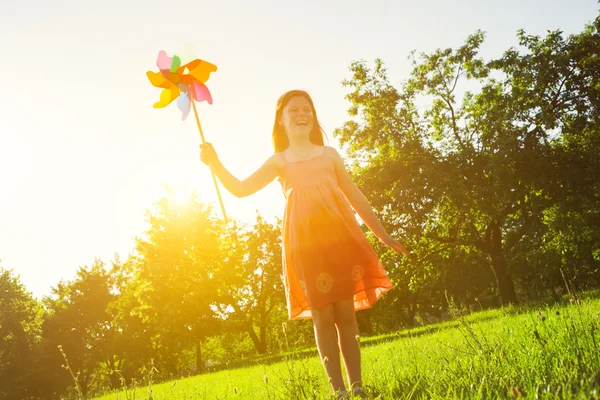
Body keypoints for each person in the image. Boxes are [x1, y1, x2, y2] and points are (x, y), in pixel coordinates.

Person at [199, 89, 409, 399]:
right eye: (294, 110)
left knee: (346, 314)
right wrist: (214, 163)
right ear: (281, 120)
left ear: (313, 117)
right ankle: (339, 392)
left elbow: (356, 196)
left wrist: (382, 234)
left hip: (340, 238)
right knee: (323, 316)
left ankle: (358, 387)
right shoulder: (279, 161)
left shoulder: (329, 154)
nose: (301, 114)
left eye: (307, 109)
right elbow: (242, 189)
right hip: (306, 244)